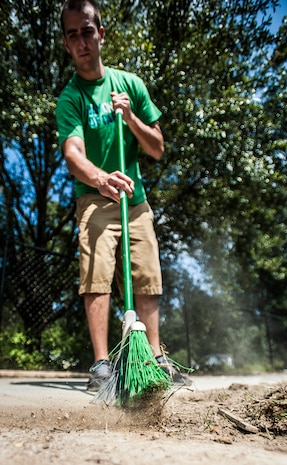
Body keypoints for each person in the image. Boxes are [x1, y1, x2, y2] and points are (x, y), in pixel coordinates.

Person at [56, 0, 189, 391]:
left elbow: (157, 147)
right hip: (95, 197)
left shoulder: (129, 84)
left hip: (136, 198)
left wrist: (130, 117)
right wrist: (99, 179)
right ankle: (101, 364)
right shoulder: (71, 98)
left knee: (147, 273)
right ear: (66, 43)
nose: (81, 40)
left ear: (101, 33)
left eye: (87, 30)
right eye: (72, 33)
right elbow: (73, 154)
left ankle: (154, 358)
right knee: (96, 270)